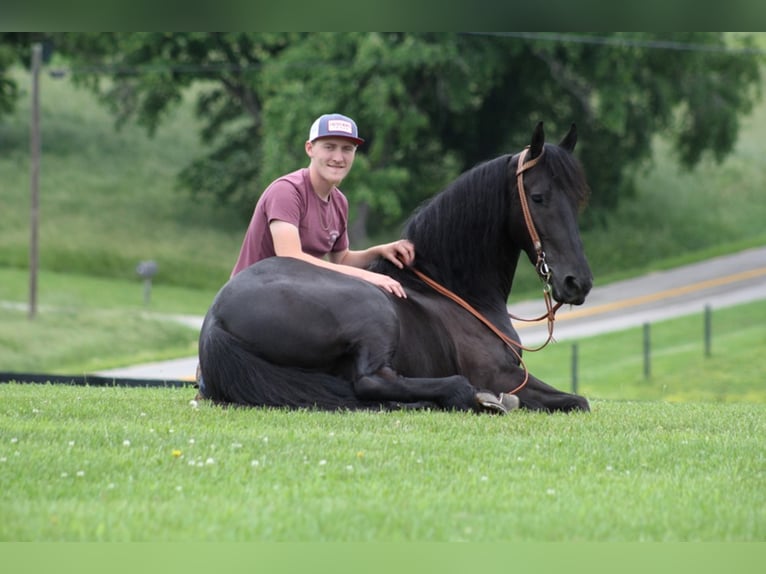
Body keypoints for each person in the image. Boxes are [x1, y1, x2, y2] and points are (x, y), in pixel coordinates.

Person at [229, 112, 415, 298]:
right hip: (250, 297)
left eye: (347, 149)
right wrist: (368, 277)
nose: (338, 157)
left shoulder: (340, 201)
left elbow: (341, 260)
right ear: (310, 149)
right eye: (329, 147)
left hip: (290, 299)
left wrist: (379, 252)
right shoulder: (286, 191)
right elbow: (290, 257)